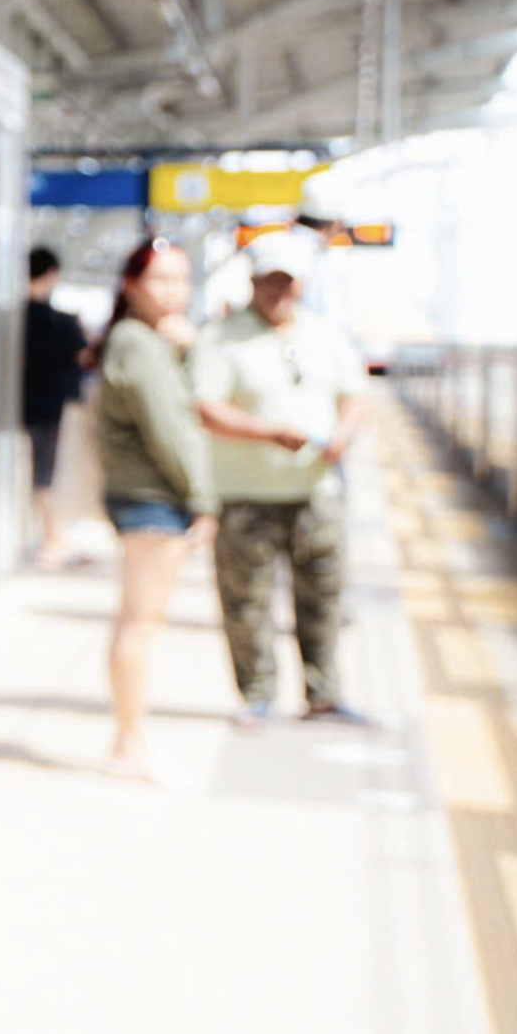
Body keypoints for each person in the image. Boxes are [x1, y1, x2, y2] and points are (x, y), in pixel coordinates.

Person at [191, 231, 371, 726]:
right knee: (246, 601)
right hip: (245, 493)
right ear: (252, 282)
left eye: (289, 283)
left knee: (324, 596)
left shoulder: (324, 334)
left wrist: (342, 435)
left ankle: (324, 693)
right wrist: (269, 433)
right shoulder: (219, 338)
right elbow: (206, 407)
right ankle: (256, 694)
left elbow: (354, 395)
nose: (280, 292)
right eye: (271, 282)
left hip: (316, 491)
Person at [92, 238, 218, 776]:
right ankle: (129, 743)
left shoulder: (140, 340)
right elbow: (172, 429)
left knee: (137, 622)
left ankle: (130, 738)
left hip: (144, 496)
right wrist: (203, 499)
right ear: (131, 286)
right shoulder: (138, 343)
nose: (173, 293)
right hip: (152, 498)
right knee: (140, 624)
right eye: (159, 280)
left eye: (181, 280)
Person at [22, 245, 90, 565]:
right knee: (45, 476)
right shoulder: (61, 322)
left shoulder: (15, 318)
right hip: (51, 408)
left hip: (21, 407)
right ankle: (52, 539)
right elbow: (84, 356)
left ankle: (51, 537)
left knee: (37, 475)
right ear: (50, 274)